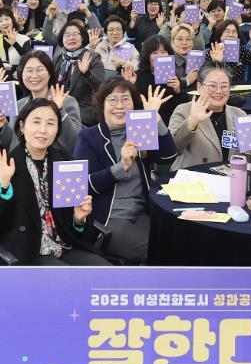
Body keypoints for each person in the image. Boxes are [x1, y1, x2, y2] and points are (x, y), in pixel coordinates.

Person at [0, 98, 110, 265]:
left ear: (57, 130)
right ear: (22, 126)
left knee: (105, 270)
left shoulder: (66, 164)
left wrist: (78, 220)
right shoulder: (3, 166)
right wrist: (4, 185)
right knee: (68, 278)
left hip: (65, 244)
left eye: (50, 123)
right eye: (36, 122)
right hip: (28, 251)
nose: (43, 130)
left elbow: (80, 232)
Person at [74, 78, 177, 263]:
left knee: (176, 239)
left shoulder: (138, 131)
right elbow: (82, 185)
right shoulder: (89, 137)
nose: (120, 106)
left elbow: (168, 157)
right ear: (102, 105)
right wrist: (120, 167)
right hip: (109, 219)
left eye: (126, 99)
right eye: (113, 100)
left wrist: (155, 118)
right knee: (162, 250)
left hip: (141, 213)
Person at [0, 50, 81, 154]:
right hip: (21, 161)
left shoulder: (66, 101)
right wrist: (1, 126)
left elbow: (74, 143)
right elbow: (11, 143)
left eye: (40, 70)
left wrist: (60, 110)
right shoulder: (19, 105)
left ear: (49, 73)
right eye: (29, 70)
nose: (34, 75)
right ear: (21, 75)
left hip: (54, 161)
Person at [169, 66, 247, 170]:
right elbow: (173, 150)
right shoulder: (184, 110)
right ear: (199, 87)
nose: (219, 91)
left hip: (230, 176)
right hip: (193, 176)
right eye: (212, 86)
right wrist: (191, 123)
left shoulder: (239, 114)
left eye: (224, 86)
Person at [125, 35, 188, 125]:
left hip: (170, 123)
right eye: (155, 53)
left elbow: (182, 106)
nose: (159, 56)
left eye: (163, 52)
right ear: (147, 55)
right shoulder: (137, 76)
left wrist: (178, 90)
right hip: (145, 123)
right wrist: (130, 86)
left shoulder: (172, 77)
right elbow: (133, 106)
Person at [52, 22, 104, 126]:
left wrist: (87, 73)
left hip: (82, 110)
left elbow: (101, 87)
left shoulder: (93, 57)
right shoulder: (58, 57)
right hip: (57, 105)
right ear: (62, 39)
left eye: (75, 34)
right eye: (67, 35)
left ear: (83, 37)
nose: (71, 38)